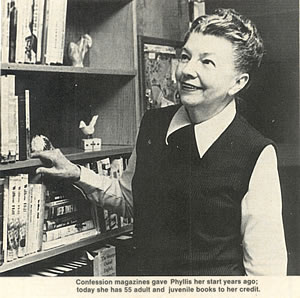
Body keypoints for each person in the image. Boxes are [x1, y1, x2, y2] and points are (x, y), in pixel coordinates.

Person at [33, 8, 287, 276]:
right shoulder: (153, 124)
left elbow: (266, 272)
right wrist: (75, 173)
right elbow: (130, 199)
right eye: (185, 57)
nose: (187, 70)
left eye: (207, 62)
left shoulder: (256, 152)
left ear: (238, 82)